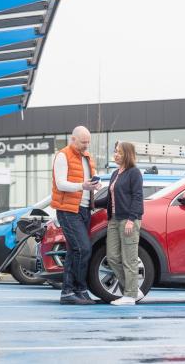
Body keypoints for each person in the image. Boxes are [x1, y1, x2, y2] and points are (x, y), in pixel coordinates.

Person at [51, 126, 101, 305]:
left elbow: (91, 179)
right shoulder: (63, 156)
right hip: (68, 210)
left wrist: (96, 184)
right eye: (83, 142)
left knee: (75, 250)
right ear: (73, 139)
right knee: (83, 249)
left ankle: (71, 292)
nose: (86, 145)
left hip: (85, 209)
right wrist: (83, 186)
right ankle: (77, 289)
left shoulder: (87, 157)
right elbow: (61, 184)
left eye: (88, 142)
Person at [106, 141, 145, 305]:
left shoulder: (134, 173)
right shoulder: (116, 173)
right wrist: (91, 203)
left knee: (129, 259)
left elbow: (137, 197)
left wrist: (131, 219)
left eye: (120, 152)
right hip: (114, 220)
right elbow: (110, 198)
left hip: (128, 219)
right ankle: (134, 289)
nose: (116, 155)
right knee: (113, 257)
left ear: (127, 155)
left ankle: (129, 296)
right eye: (115, 152)